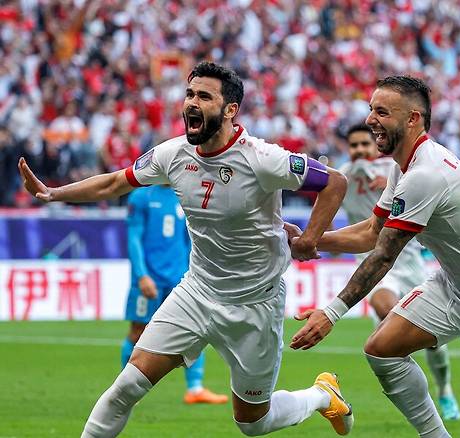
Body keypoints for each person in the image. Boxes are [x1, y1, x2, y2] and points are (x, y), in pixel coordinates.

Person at [18, 61, 353, 437]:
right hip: (196, 293)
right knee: (125, 388)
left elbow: (335, 182)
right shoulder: (173, 155)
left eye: (204, 96)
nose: (192, 103)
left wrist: (309, 238)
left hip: (254, 306)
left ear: (230, 110)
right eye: (189, 94)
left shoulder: (263, 158)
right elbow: (114, 183)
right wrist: (52, 194)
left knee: (253, 424)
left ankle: (322, 395)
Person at [290, 76, 460, 438]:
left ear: (413, 119)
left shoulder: (426, 173)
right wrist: (311, 240)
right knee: (382, 349)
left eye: (382, 112)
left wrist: (331, 312)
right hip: (455, 285)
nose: (371, 120)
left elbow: (384, 253)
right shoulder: (405, 167)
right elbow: (370, 231)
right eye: (371, 109)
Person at [339, 123, 460, 420]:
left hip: (409, 263)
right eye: (353, 146)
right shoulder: (345, 175)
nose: (359, 152)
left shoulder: (396, 170)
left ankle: (445, 391)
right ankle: (399, 347)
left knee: (435, 348)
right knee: (384, 307)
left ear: (375, 145)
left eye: (364, 145)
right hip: (373, 264)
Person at [123, 185, 227, 404]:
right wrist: (141, 275)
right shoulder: (141, 196)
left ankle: (195, 389)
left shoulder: (185, 195)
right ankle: (125, 389)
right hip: (149, 279)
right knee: (137, 332)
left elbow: (192, 240)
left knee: (197, 329)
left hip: (180, 278)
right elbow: (133, 238)